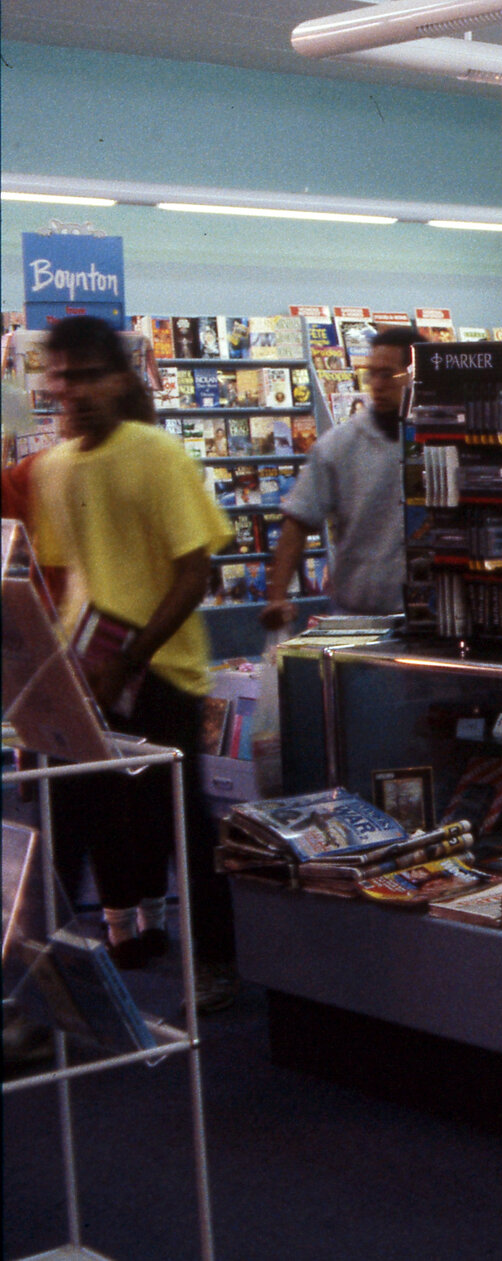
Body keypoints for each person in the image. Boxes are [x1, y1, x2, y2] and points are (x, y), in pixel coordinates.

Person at [31, 315, 237, 1008]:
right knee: (65, 829)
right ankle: (48, 993)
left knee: (183, 825)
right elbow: (70, 576)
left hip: (163, 674)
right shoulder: (53, 467)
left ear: (121, 379)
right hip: (84, 675)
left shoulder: (157, 455)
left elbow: (194, 572)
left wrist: (131, 656)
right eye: (64, 377)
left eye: (90, 375)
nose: (75, 390)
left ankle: (216, 961)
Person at [261, 325, 419, 628]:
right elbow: (298, 520)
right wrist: (277, 597)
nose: (377, 385)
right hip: (359, 618)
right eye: (372, 375)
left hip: (437, 618)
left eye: (388, 375)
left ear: (414, 375)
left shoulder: (445, 438)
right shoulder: (339, 445)